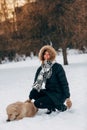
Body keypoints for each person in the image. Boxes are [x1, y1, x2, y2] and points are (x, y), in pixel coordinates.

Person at [29, 45, 72, 114]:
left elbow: (64, 83)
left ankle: (59, 106)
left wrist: (68, 98)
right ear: (42, 55)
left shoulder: (57, 67)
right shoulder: (41, 68)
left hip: (59, 94)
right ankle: (51, 105)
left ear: (52, 55)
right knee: (34, 93)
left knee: (37, 103)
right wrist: (30, 98)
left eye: (48, 54)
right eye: (45, 54)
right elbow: (36, 84)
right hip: (49, 92)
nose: (46, 56)